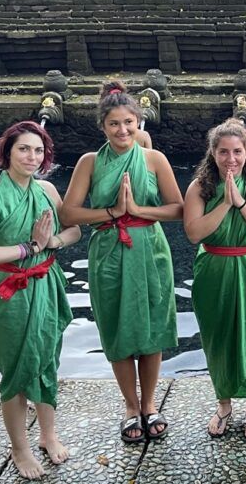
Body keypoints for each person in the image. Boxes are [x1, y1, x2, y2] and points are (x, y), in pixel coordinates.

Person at [60, 81, 184, 444]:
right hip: (109, 250)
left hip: (150, 249)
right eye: (114, 123)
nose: (122, 130)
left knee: (152, 326)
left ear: (138, 122)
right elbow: (69, 213)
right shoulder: (90, 162)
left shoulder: (154, 160)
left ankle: (150, 404)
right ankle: (130, 406)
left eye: (129, 122)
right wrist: (113, 212)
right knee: (117, 327)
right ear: (102, 126)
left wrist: (138, 209)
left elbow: (177, 209)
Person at [0, 121, 80, 480]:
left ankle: (48, 435)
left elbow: (74, 229)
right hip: (11, 290)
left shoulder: (46, 189)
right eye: (23, 149)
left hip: (46, 282)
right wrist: (30, 247)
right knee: (16, 369)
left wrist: (52, 243)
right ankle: (20, 448)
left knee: (47, 360)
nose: (32, 157)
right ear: (7, 152)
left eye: (38, 150)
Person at [184, 118, 246, 439]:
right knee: (218, 337)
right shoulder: (199, 188)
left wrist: (240, 203)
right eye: (223, 152)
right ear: (212, 153)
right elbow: (194, 233)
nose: (231, 159)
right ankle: (223, 404)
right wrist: (225, 204)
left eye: (237, 151)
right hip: (214, 269)